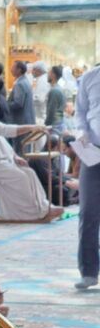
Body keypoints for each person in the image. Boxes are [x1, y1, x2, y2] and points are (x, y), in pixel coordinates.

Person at [0, 87, 63, 221]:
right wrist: (31, 127)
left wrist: (14, 156)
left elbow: (1, 139)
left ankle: (43, 207)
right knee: (20, 177)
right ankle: (31, 213)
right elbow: (5, 130)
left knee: (29, 173)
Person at [74, 63, 100, 290]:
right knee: (88, 211)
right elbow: (80, 111)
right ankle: (89, 271)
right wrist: (82, 132)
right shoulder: (90, 78)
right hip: (93, 153)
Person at [7, 60, 36, 154]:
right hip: (26, 120)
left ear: (19, 70)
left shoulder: (19, 84)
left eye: (13, 67)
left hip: (21, 121)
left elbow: (18, 103)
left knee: (21, 151)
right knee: (25, 150)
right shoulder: (25, 81)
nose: (11, 69)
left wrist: (6, 105)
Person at [45, 65, 66, 132]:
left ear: (53, 75)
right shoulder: (58, 88)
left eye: (49, 73)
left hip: (54, 125)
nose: (47, 75)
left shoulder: (54, 91)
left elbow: (51, 111)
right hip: (58, 123)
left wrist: (46, 125)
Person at [31, 61, 50, 125]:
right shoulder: (40, 79)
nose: (32, 72)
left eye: (33, 69)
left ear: (38, 70)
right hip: (39, 113)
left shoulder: (42, 80)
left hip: (40, 114)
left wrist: (29, 98)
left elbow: (40, 99)